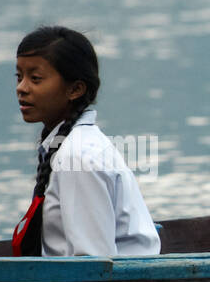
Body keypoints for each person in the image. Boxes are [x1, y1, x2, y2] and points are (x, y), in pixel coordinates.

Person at [12, 25, 160, 257]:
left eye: (36, 78)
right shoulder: (70, 144)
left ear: (75, 89)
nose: (22, 88)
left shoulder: (77, 156)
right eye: (19, 77)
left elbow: (94, 263)